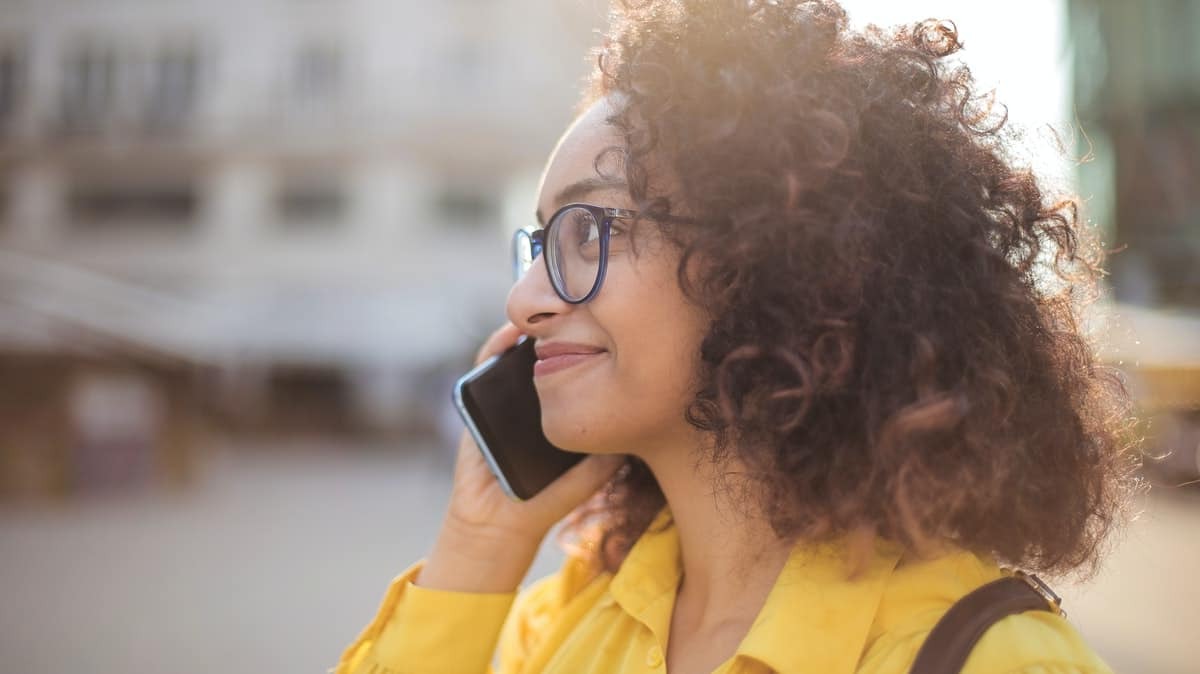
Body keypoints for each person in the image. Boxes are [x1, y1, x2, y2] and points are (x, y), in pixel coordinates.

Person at [335, 2, 1138, 672]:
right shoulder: (566, 626)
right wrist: (481, 542)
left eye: (588, 233)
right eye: (541, 244)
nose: (523, 300)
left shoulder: (995, 661)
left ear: (771, 258)